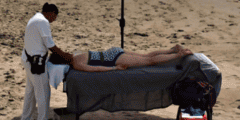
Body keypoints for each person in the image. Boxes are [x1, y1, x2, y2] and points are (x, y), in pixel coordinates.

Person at [21, 3, 73, 120]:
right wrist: (66, 56)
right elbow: (51, 45)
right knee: (43, 94)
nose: (54, 19)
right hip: (36, 63)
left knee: (30, 91)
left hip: (27, 59)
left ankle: (26, 119)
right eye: (55, 16)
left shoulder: (35, 18)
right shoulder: (43, 22)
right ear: (51, 13)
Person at [55, 44, 193, 72]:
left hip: (114, 59)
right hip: (113, 51)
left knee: (148, 61)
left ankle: (179, 54)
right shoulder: (76, 54)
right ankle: (172, 49)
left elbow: (97, 68)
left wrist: (115, 68)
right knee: (146, 56)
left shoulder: (76, 64)